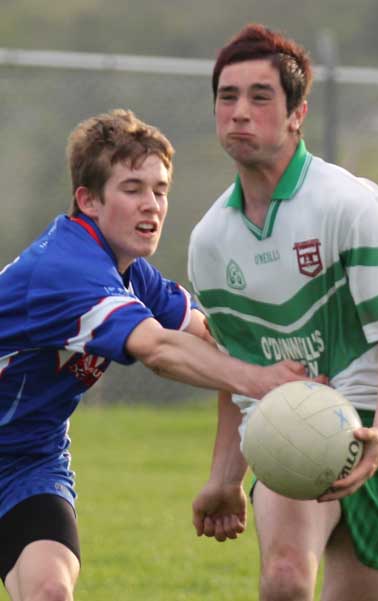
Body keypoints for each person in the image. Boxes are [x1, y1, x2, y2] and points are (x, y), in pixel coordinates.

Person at [0, 108, 309, 601]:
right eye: (132, 189)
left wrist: (293, 358)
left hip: (29, 464)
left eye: (160, 190)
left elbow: (215, 341)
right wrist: (264, 381)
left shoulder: (132, 274)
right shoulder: (65, 267)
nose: (152, 205)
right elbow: (160, 349)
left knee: (48, 592)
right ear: (89, 200)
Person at [189, 24, 378, 601]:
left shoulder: (348, 204)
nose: (239, 112)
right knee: (285, 580)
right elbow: (234, 371)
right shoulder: (209, 240)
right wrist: (225, 479)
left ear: (297, 112)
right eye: (227, 97)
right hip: (289, 423)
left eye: (260, 97)